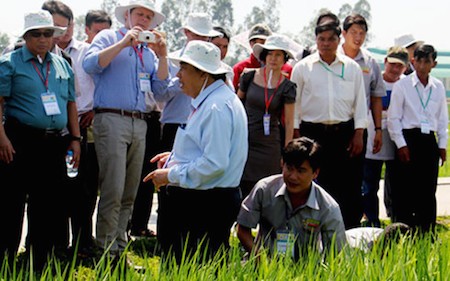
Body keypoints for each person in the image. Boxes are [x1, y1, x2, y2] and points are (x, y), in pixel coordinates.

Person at [143, 40, 248, 262]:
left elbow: (214, 164)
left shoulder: (215, 107)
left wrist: (170, 174)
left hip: (203, 204)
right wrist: (174, 158)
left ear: (203, 74)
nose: (178, 75)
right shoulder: (215, 100)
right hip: (206, 200)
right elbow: (206, 151)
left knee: (191, 266)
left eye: (183, 68)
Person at [83, 0, 169, 257]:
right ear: (127, 16)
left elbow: (161, 91)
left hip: (139, 120)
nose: (143, 20)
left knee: (130, 189)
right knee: (113, 187)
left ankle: (119, 246)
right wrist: (122, 44)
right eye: (139, 14)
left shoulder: (148, 51)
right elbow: (90, 65)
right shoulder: (109, 36)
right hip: (111, 118)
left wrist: (163, 54)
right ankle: (106, 250)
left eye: (148, 17)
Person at [0, 10, 80, 268]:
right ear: (26, 36)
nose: (44, 39)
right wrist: (1, 138)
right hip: (19, 139)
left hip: (54, 142)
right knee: (11, 204)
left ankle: (37, 261)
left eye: (48, 34)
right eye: (37, 34)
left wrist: (76, 139)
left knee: (46, 204)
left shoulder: (62, 65)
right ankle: (6, 260)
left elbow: (70, 104)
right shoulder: (9, 63)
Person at [151, 12, 222, 251]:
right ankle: (166, 241)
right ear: (186, 33)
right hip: (176, 126)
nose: (202, 39)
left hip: (198, 129)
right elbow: (160, 93)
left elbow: (213, 163)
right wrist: (182, 79)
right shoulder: (175, 63)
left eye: (206, 36)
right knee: (169, 194)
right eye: (197, 34)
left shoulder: (215, 95)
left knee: (187, 191)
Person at [291, 18, 368, 229]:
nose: (326, 43)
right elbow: (295, 105)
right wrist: (296, 134)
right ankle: (314, 230)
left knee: (348, 185)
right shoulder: (302, 68)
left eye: (331, 39)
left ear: (338, 39)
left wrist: (359, 133)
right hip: (312, 133)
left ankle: (349, 231)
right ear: (315, 40)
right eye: (321, 39)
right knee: (316, 184)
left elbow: (360, 102)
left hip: (344, 133)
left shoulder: (351, 67)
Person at [236, 137, 346, 259]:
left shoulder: (328, 207)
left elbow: (337, 254)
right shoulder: (264, 190)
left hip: (306, 270)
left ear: (315, 173)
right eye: (289, 168)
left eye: (301, 171)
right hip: (263, 264)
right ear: (282, 164)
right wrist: (260, 260)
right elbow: (242, 229)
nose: (293, 177)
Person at [387, 44, 448, 233]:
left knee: (427, 189)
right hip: (408, 138)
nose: (422, 65)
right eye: (419, 61)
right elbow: (393, 118)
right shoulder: (402, 85)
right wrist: (401, 144)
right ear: (413, 62)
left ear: (434, 64)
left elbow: (442, 118)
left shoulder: (437, 87)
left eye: (427, 61)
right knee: (404, 188)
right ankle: (403, 230)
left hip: (428, 139)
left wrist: (442, 145)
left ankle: (426, 230)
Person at [237, 34, 297, 198]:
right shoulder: (248, 76)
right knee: (243, 190)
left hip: (270, 145)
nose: (273, 58)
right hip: (245, 140)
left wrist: (287, 153)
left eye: (278, 54)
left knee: (270, 190)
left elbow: (290, 121)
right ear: (264, 56)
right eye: (270, 53)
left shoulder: (288, 87)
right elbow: (236, 106)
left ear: (284, 58)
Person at [362, 46, 409, 227]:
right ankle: (371, 219)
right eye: (392, 64)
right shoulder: (374, 81)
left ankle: (396, 220)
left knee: (396, 186)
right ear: (385, 62)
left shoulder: (405, 84)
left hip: (396, 142)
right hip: (373, 140)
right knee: (369, 185)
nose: (395, 69)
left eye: (400, 66)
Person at [232, 23, 293, 91]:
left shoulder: (287, 70)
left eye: (264, 42)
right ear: (250, 43)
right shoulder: (240, 68)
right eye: (255, 42)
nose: (260, 45)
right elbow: (235, 96)